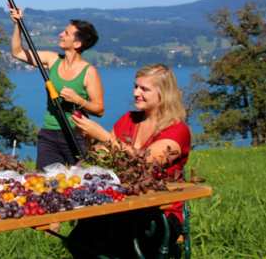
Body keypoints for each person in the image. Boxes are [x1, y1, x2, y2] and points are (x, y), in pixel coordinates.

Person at [67, 64, 191, 258]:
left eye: (144, 89)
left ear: (164, 93)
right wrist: (89, 138)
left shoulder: (177, 130)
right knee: (78, 240)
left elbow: (145, 164)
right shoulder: (129, 119)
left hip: (158, 213)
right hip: (124, 205)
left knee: (117, 246)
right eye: (135, 86)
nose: (135, 93)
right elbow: (100, 159)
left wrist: (104, 136)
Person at [9, 5, 104, 170]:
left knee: (80, 181)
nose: (61, 34)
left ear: (77, 43)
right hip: (49, 134)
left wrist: (79, 100)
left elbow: (99, 110)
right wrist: (18, 24)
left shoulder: (89, 72)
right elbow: (17, 52)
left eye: (66, 33)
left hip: (77, 133)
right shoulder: (53, 60)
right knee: (44, 182)